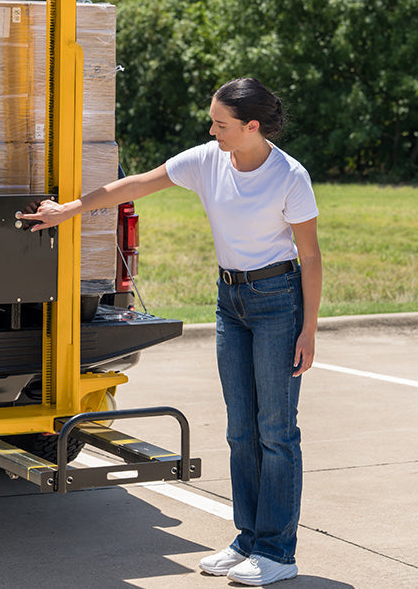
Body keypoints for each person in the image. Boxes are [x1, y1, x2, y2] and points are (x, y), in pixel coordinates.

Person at [19, 77, 322, 586]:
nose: (212, 129)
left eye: (221, 123)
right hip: (232, 302)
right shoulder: (208, 160)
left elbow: (309, 256)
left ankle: (277, 551)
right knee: (241, 429)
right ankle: (247, 541)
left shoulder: (289, 176)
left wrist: (309, 329)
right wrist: (69, 209)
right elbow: (135, 184)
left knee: (276, 431)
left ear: (252, 127)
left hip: (279, 303)